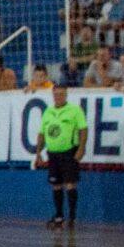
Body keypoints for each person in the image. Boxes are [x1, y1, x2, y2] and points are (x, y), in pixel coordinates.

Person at [35, 80, 87, 229]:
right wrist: (38, 153)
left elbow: (83, 129)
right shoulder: (48, 112)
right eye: (55, 94)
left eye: (61, 94)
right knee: (56, 185)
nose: (58, 97)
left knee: (70, 184)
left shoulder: (74, 110)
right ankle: (59, 216)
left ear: (66, 95)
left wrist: (81, 148)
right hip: (53, 153)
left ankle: (72, 217)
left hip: (69, 151)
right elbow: (42, 133)